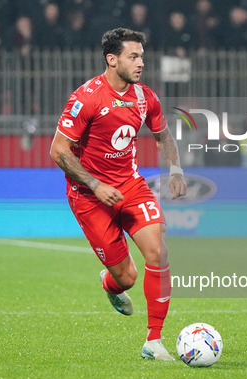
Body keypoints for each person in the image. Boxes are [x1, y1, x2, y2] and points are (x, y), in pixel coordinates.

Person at [49, 28, 187, 361]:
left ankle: (153, 342)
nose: (141, 63)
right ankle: (111, 284)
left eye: (141, 56)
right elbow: (58, 151)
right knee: (126, 276)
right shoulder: (87, 97)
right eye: (133, 56)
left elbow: (163, 135)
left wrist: (176, 170)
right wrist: (96, 184)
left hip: (130, 185)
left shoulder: (145, 97)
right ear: (112, 60)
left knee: (158, 252)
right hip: (89, 194)